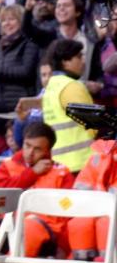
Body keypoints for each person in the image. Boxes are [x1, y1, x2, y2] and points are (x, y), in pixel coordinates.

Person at [0, 122, 74, 257]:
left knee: (29, 226)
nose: (30, 153)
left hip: (44, 232)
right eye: (27, 146)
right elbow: (0, 193)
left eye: (37, 149)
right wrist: (32, 173)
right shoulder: (7, 165)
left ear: (47, 151)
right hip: (7, 224)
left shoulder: (62, 173)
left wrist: (63, 249)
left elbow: (69, 213)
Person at [41, 39, 96, 172]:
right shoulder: (71, 86)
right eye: (78, 56)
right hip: (81, 164)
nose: (83, 61)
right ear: (65, 62)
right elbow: (94, 125)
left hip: (61, 165)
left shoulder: (52, 87)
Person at [68, 138, 117, 261]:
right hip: (93, 210)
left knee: (105, 224)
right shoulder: (97, 157)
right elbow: (79, 191)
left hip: (109, 216)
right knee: (80, 224)